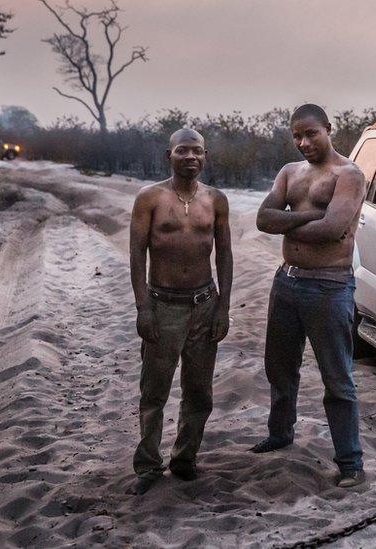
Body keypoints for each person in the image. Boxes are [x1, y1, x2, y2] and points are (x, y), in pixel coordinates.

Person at [253, 104, 367, 488]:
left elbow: (332, 229)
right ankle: (281, 432)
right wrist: (306, 218)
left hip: (329, 285)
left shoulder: (348, 175)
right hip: (287, 281)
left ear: (329, 129)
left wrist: (286, 222)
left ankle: (350, 463)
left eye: (311, 134)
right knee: (280, 368)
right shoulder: (290, 172)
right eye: (297, 136)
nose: (304, 142)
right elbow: (262, 219)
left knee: (337, 379)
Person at [128, 128, 233, 495]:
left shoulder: (216, 200)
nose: (191, 157)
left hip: (204, 304)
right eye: (183, 151)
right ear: (168, 155)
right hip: (163, 304)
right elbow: (137, 254)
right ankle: (148, 464)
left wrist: (224, 305)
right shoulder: (149, 198)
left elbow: (223, 254)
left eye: (198, 152)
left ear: (205, 156)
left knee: (199, 390)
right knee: (154, 390)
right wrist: (144, 308)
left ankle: (185, 458)